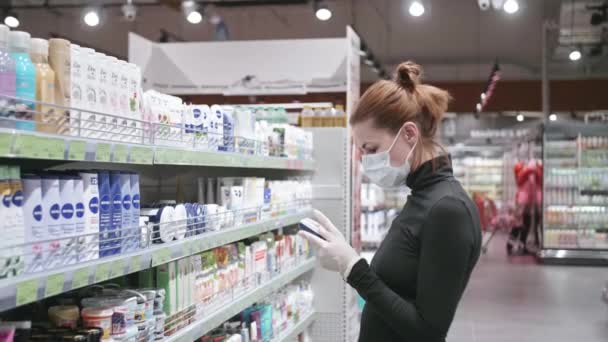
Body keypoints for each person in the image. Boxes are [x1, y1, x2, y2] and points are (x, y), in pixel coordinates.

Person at [299, 61, 482, 342]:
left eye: (370, 149)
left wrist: (353, 268)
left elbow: (428, 332)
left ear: (409, 134)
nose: (365, 161)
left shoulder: (447, 210)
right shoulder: (422, 198)